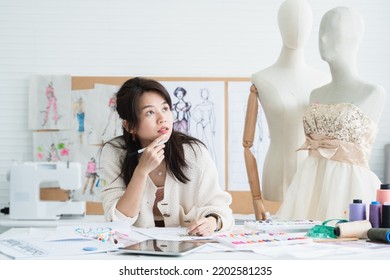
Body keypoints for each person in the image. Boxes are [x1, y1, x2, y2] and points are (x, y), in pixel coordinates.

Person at [277, 6, 386, 221]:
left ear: (354, 36)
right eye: (321, 32)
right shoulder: (315, 94)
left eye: (334, 31)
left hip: (349, 187)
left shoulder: (373, 93)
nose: (324, 39)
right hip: (309, 185)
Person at [100, 77, 234, 236]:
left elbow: (221, 209)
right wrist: (141, 171)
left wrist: (212, 222)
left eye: (165, 109)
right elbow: (118, 220)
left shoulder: (194, 152)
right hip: (135, 250)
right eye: (150, 112)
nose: (162, 118)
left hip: (189, 247)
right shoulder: (114, 153)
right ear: (130, 126)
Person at [243, 0, 328, 218]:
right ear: (280, 25)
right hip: (277, 170)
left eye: (304, 22)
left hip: (315, 173)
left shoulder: (324, 79)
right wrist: (255, 198)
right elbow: (247, 144)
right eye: (290, 21)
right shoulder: (262, 79)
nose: (298, 28)